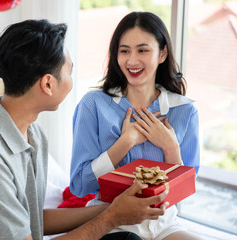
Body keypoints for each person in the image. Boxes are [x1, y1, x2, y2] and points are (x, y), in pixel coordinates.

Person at [0, 19, 169, 240]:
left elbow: (32, 220)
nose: (71, 80)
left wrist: (113, 209)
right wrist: (112, 217)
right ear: (48, 84)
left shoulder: (33, 134)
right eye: (69, 71)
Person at [70, 12, 202, 240]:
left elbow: (185, 191)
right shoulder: (93, 105)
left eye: (142, 50)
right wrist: (124, 143)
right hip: (111, 220)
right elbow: (80, 185)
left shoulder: (184, 111)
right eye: (124, 51)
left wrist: (171, 149)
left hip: (163, 223)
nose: (132, 60)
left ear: (162, 53)